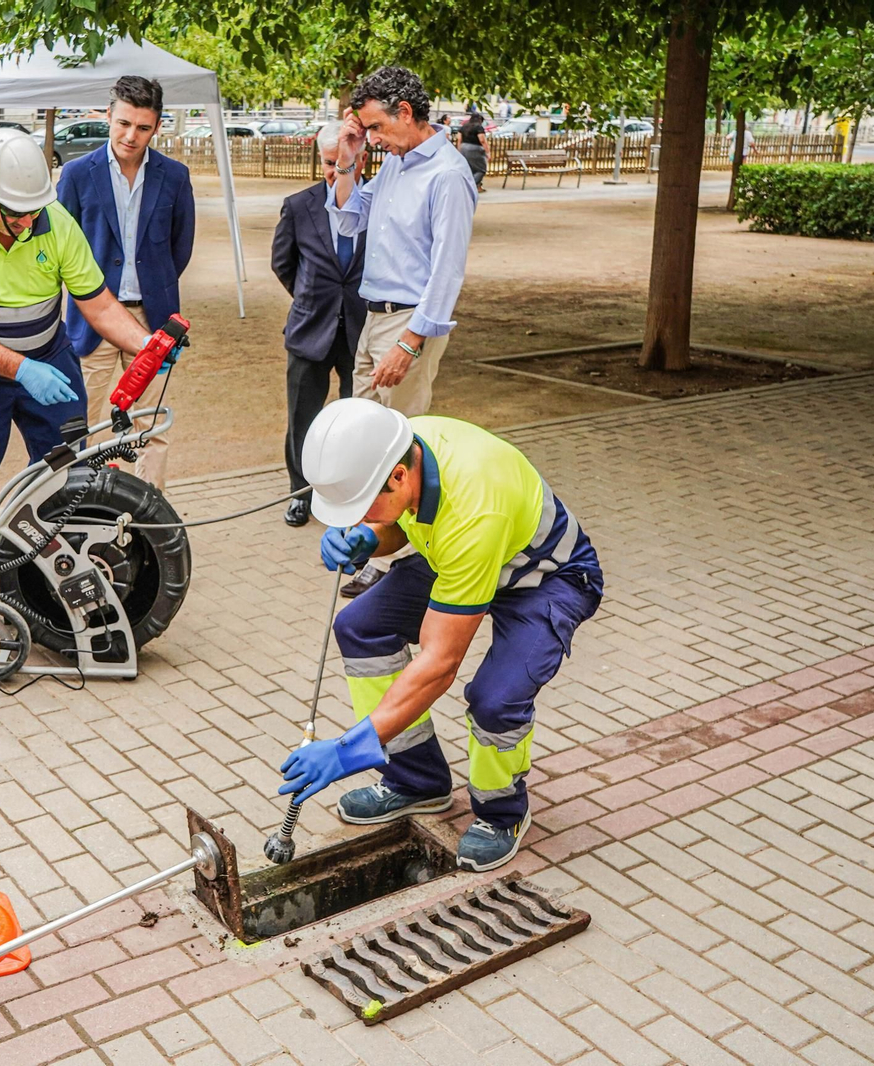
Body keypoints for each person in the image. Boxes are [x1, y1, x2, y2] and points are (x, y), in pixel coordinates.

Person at [279, 399, 602, 872]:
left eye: (360, 504)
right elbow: (399, 526)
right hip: (463, 560)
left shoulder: (473, 506)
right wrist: (371, 537)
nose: (354, 517)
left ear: (398, 478)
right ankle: (416, 781)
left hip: (545, 577)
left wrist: (351, 748)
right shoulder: (400, 446)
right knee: (361, 628)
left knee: (496, 699)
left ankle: (502, 812)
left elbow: (440, 662)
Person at [0, 128, 158, 603]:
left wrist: (147, 344)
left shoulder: (54, 220)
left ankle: (47, 560)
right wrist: (21, 371)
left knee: (68, 465)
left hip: (48, 354)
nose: (27, 222)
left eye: (33, 211)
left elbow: (99, 305)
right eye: (15, 213)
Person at [328, 65, 477, 599]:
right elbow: (348, 220)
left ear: (406, 113)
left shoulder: (448, 175)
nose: (373, 138)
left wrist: (410, 343)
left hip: (409, 322)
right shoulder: (392, 164)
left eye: (374, 127)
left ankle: (401, 556)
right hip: (372, 317)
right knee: (364, 439)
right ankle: (367, 538)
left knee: (401, 449)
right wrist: (348, 159)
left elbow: (447, 272)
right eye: (365, 129)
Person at [57, 75, 195, 490]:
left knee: (151, 426)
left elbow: (180, 247)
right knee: (87, 423)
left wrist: (156, 287)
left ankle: (149, 516)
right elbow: (64, 244)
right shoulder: (78, 174)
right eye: (123, 124)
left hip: (153, 320)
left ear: (157, 126)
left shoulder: (175, 176)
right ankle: (89, 506)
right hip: (92, 319)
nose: (130, 136)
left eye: (142, 127)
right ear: (108, 116)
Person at [271, 122, 366, 527]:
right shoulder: (298, 206)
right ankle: (301, 493)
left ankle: (354, 494)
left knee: (357, 419)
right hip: (310, 331)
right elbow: (283, 263)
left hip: (360, 331)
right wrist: (311, 298)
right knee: (303, 419)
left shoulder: (377, 203)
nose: (335, 171)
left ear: (360, 160)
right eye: (328, 163)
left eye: (343, 162)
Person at [457, 113, 490, 192]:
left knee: (468, 169)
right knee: (481, 170)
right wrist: (488, 152)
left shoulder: (464, 126)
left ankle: (464, 186)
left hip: (463, 148)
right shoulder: (478, 127)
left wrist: (459, 150)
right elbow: (482, 140)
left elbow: (459, 139)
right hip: (475, 148)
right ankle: (470, 186)